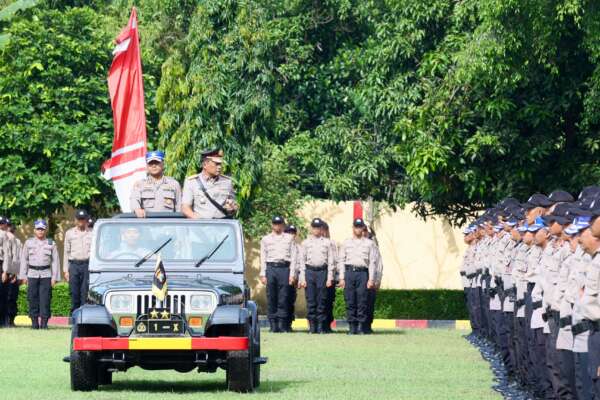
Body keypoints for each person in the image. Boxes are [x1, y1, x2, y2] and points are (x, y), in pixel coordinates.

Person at [338, 218, 377, 335]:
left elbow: (372, 262)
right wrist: (341, 277)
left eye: (360, 227)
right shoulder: (346, 243)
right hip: (349, 273)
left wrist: (371, 279)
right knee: (350, 300)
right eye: (356, 227)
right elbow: (341, 260)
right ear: (353, 228)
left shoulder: (369, 244)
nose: (358, 229)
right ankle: (352, 326)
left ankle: (360, 326)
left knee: (362, 300)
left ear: (363, 228)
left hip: (363, 273)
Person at [19, 220, 60, 329]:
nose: (40, 231)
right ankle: (34, 322)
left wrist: (54, 277)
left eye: (42, 229)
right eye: (38, 229)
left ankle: (44, 323)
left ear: (45, 230)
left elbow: (55, 261)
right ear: (34, 230)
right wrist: (23, 276)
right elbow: (24, 260)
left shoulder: (51, 243)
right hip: (32, 274)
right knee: (32, 298)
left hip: (46, 274)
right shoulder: (28, 243)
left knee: (45, 299)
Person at [260, 216, 296, 332]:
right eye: (275, 223)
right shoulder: (265, 239)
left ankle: (282, 324)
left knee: (283, 297)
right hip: (271, 268)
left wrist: (292, 274)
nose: (277, 226)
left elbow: (293, 257)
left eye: (279, 223)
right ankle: (273, 324)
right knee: (271, 297)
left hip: (284, 268)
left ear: (283, 225)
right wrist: (263, 274)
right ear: (272, 225)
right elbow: (263, 257)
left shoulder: (289, 238)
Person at [299, 218, 335, 334]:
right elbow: (302, 262)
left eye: (318, 227)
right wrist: (302, 278)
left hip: (322, 272)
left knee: (322, 299)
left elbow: (331, 262)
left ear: (321, 229)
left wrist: (330, 278)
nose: (316, 230)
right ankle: (312, 326)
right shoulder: (305, 243)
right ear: (311, 228)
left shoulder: (327, 243)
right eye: (314, 227)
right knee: (311, 300)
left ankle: (320, 326)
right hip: (310, 272)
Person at [182, 149, 238, 219]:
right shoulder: (192, 182)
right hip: (201, 224)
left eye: (220, 164)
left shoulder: (227, 182)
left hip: (222, 224)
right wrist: (198, 221)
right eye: (216, 164)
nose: (219, 167)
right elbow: (185, 208)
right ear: (205, 165)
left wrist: (232, 208)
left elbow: (234, 206)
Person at [130, 151, 182, 217]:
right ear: (147, 166)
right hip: (147, 222)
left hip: (168, 222)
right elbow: (134, 200)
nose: (153, 166)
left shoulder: (174, 184)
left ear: (163, 164)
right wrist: (137, 209)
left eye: (156, 162)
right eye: (150, 163)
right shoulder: (140, 185)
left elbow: (179, 208)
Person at [63, 209, 93, 315]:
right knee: (74, 292)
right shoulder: (69, 233)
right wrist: (65, 270)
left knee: (85, 293)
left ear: (86, 220)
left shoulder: (92, 233)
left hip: (87, 265)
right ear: (75, 220)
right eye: (79, 219)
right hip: (74, 265)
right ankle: (74, 317)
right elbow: (66, 252)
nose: (81, 221)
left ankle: (84, 317)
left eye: (83, 219)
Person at [284, 224, 301, 332]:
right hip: (283, 276)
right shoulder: (282, 246)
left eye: (293, 233)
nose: (291, 235)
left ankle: (289, 323)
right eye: (289, 232)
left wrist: (298, 278)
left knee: (291, 300)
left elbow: (300, 264)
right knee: (283, 300)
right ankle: (282, 323)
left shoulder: (299, 247)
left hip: (294, 279)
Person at [321, 221, 337, 333]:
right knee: (319, 301)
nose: (323, 232)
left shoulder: (332, 243)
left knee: (329, 301)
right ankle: (319, 325)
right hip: (319, 274)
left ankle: (327, 325)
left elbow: (336, 260)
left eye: (324, 230)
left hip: (330, 276)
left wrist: (336, 277)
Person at [5, 220, 21, 327]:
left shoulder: (17, 242)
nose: (8, 228)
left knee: (11, 298)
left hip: (12, 274)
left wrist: (15, 274)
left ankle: (11, 320)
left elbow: (18, 258)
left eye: (9, 226)